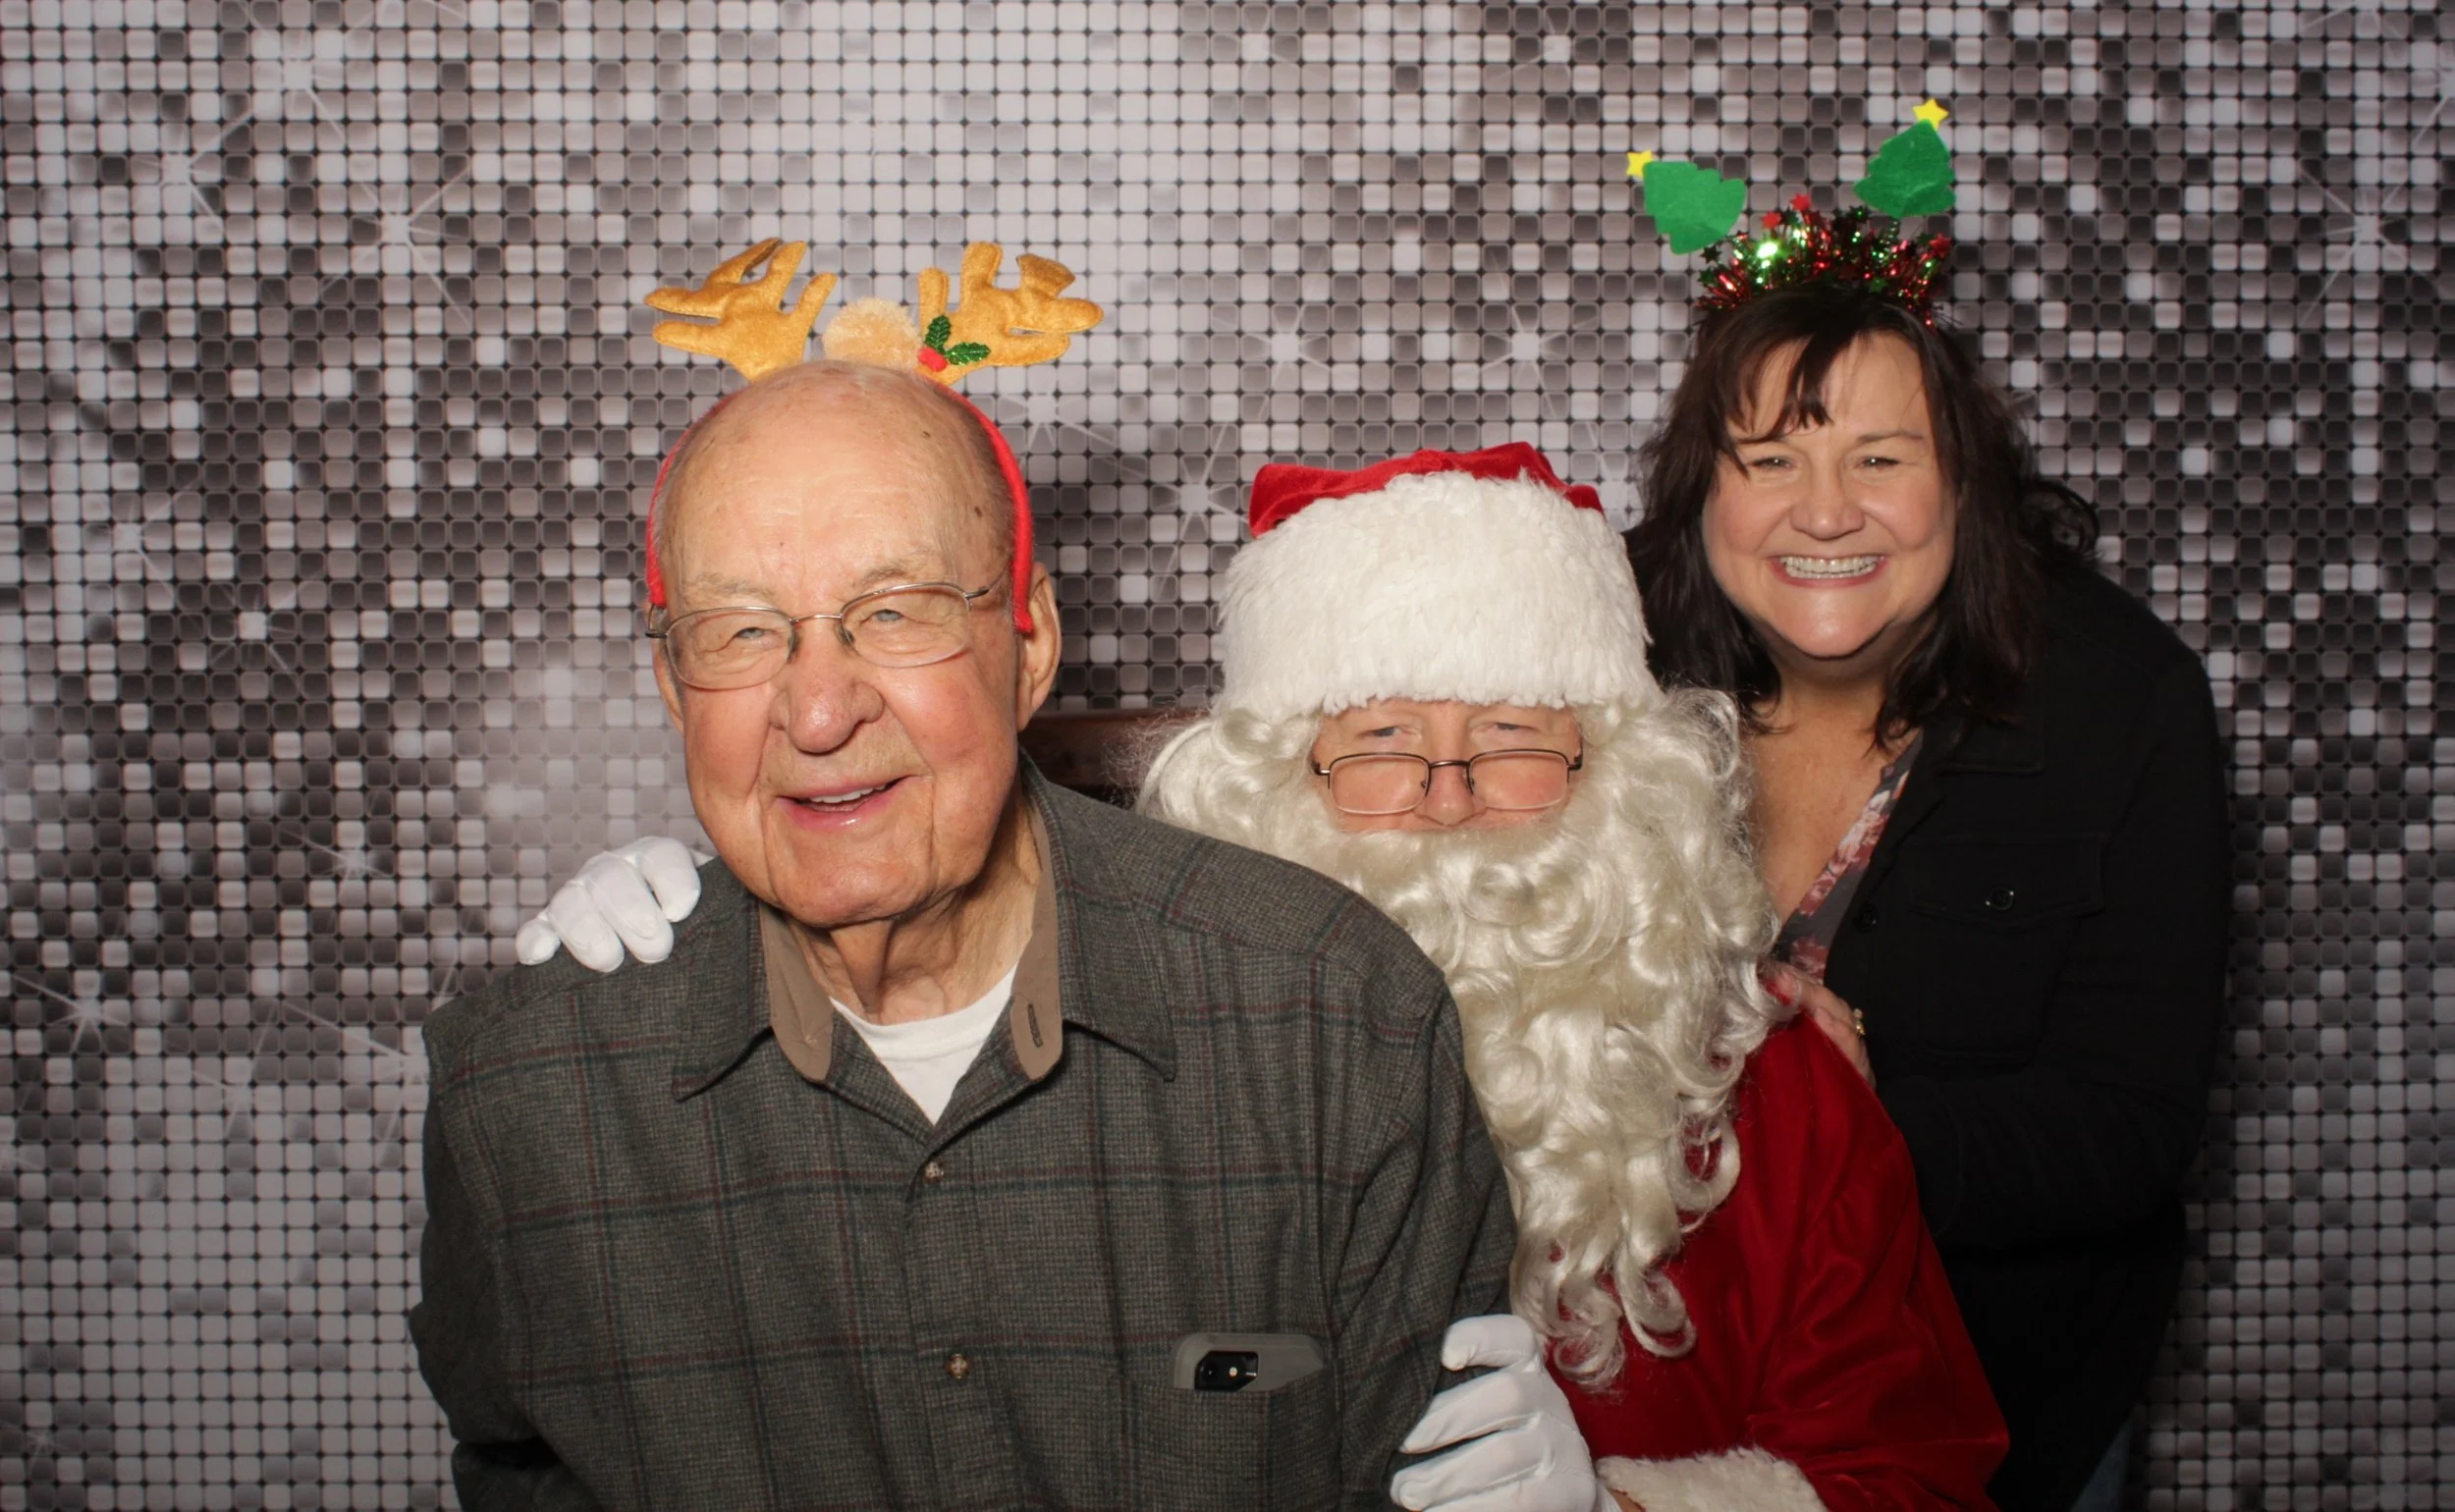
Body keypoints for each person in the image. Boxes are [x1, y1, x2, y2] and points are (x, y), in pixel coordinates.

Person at [528, 443, 2010, 1511]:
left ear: (1619, 778)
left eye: (1513, 734)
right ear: (1270, 789)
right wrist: (724, 923)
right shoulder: (1118, 1036)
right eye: (1373, 742)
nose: (1445, 794)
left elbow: (1928, 1474)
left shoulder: (1777, 1088)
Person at [415, 352, 1516, 1507]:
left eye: (896, 612)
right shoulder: (522, 1102)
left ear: (1030, 642)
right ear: (669, 680)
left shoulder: (1336, 1023)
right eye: (740, 632)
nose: (819, 708)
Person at [1621, 248, 2230, 1511]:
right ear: (1700, 493)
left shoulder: (2124, 698)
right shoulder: (1594, 665)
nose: (1826, 511)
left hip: (2006, 1402)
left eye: (1880, 458)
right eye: (1770, 459)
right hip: (1635, 1384)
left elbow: (2132, 1122)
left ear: (1964, 481)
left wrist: (1851, 1115)